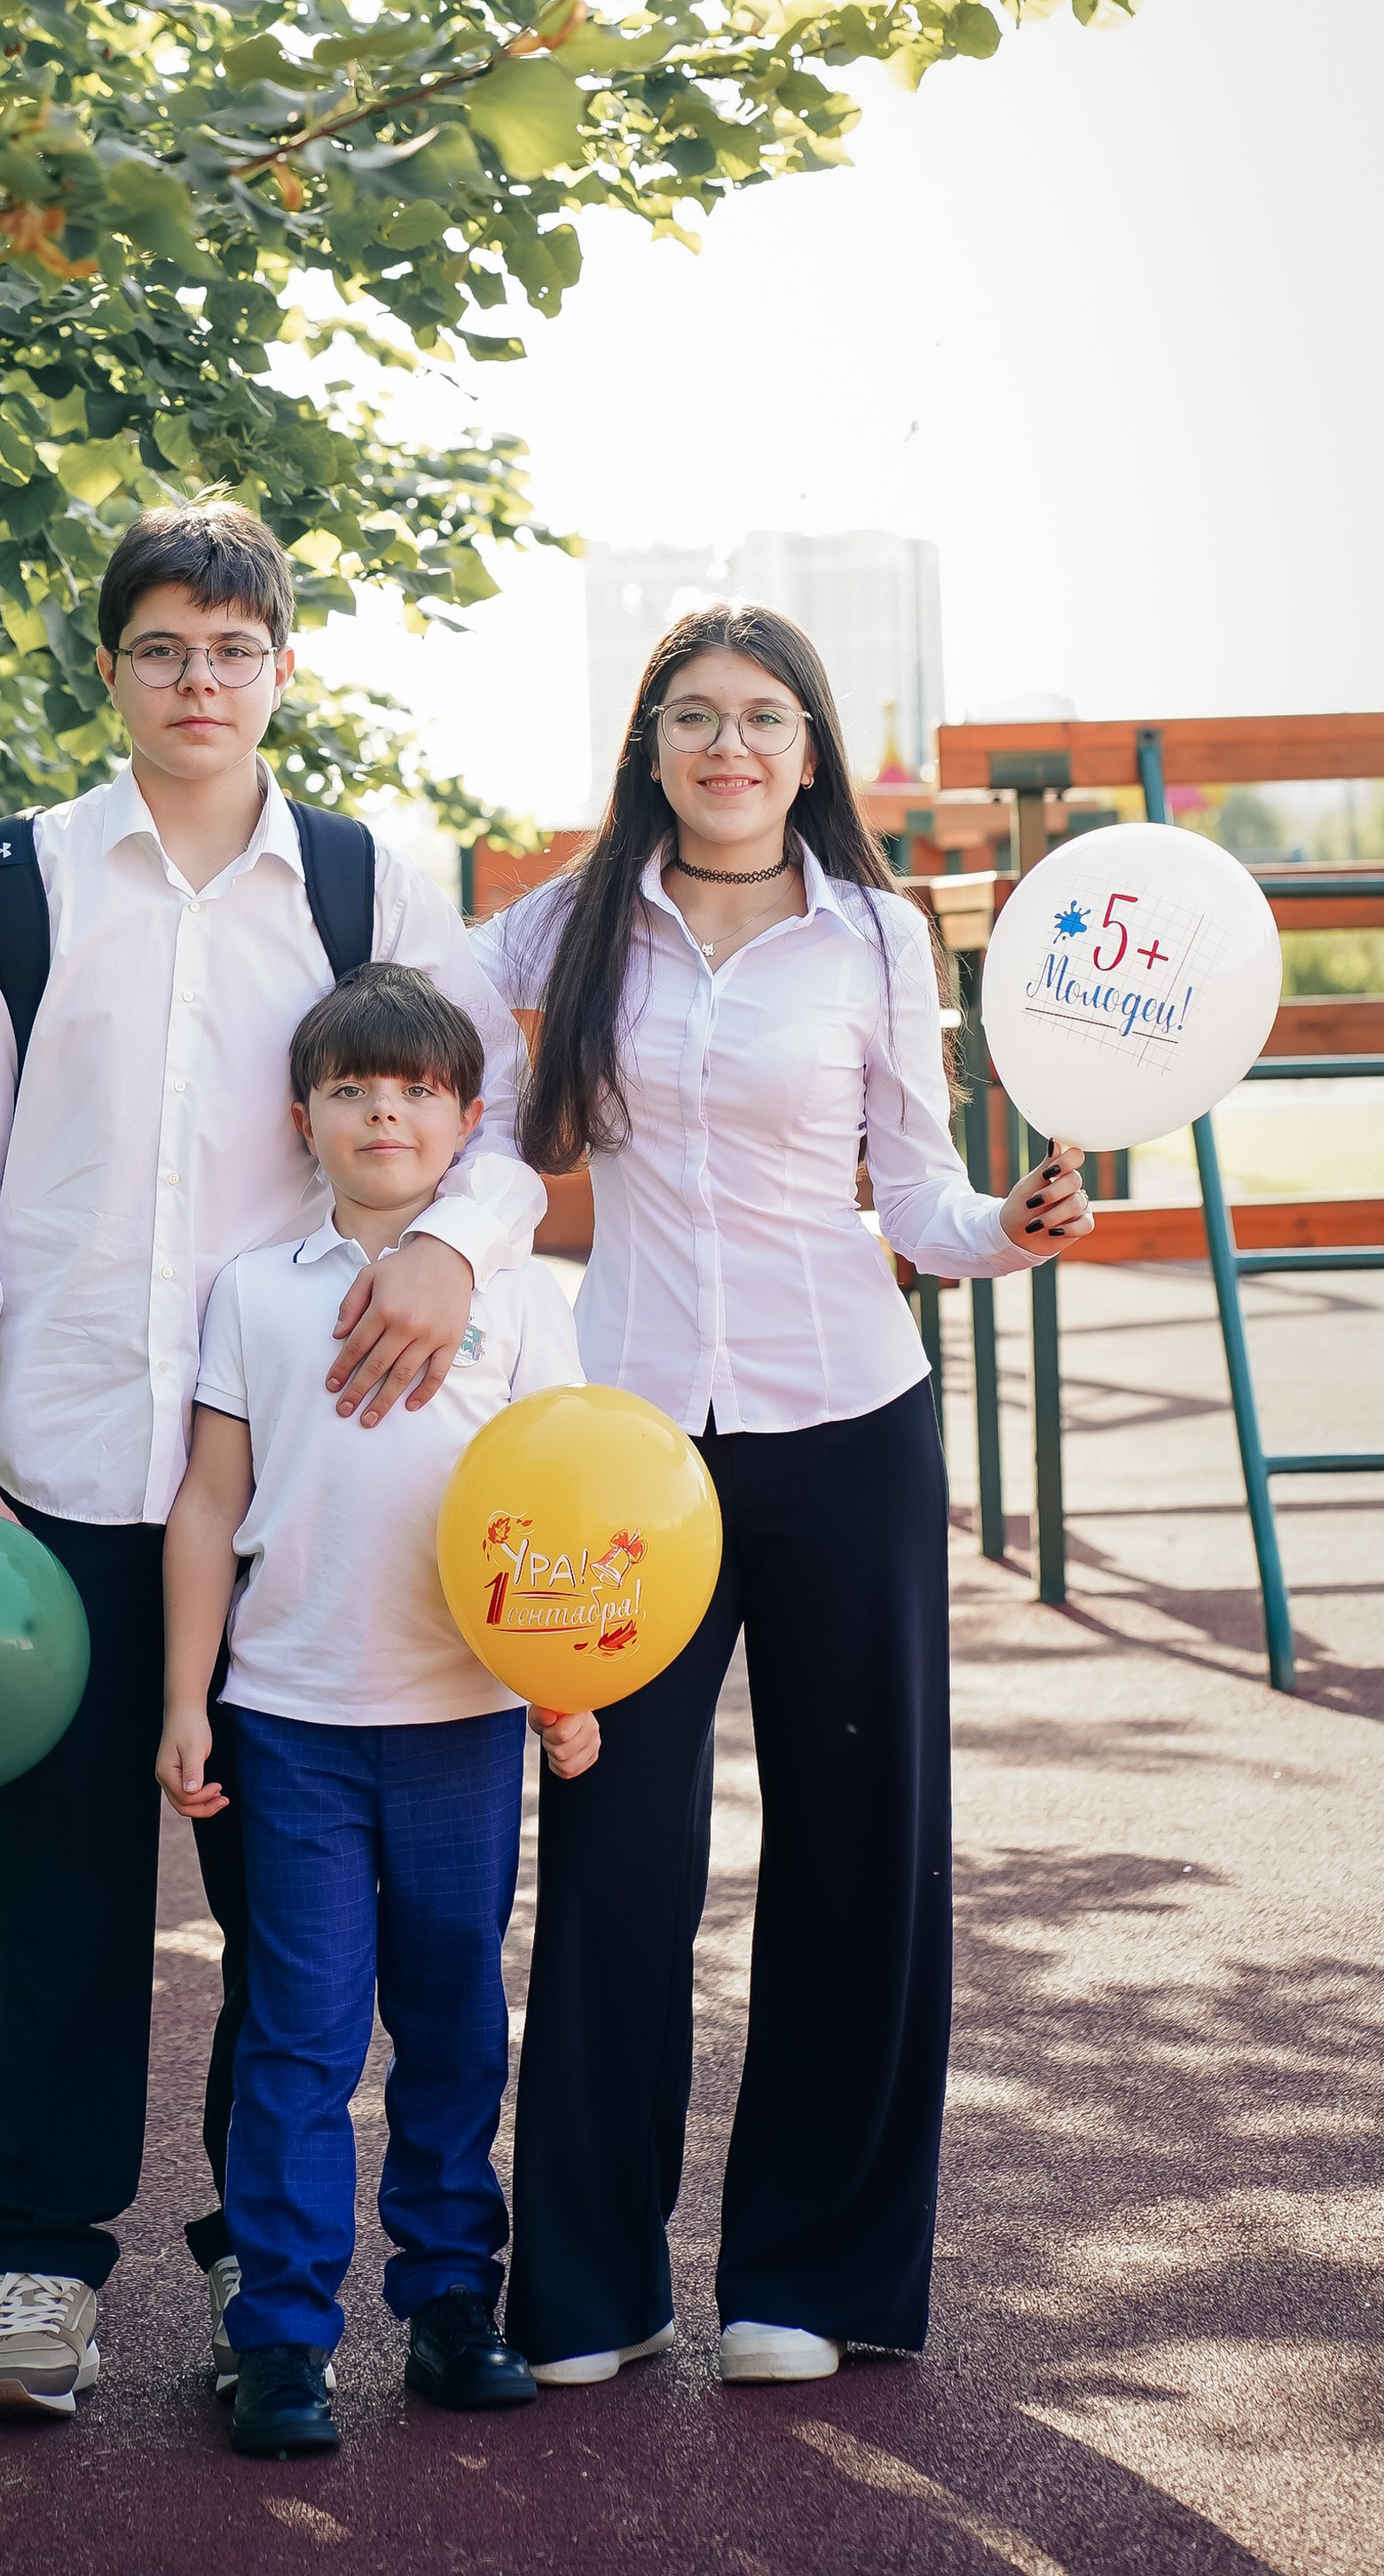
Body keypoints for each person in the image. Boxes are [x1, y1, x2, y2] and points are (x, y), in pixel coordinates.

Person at [0, 503, 545, 2423]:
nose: (198, 682)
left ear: (282, 670)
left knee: (286, 1932)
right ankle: (41, 2267)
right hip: (55, 1480)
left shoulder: (362, 876)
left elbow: (499, 1125)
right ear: (109, 672)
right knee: (62, 1919)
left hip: (291, 1488)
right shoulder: (16, 884)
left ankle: (264, 2258)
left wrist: (443, 1246)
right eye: (161, 649)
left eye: (233, 651)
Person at [476, 603, 1092, 2391]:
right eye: (690, 719)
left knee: (855, 1855)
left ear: (807, 752)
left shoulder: (876, 937)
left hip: (846, 1417)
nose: (725, 746)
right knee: (609, 1855)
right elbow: (411, 1024)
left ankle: (805, 2280)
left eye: (759, 718)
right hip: (626, 1455)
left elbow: (914, 1196)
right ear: (648, 749)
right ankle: (586, 2287)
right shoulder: (568, 920)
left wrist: (1008, 1229)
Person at [159, 963, 598, 2460]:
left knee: (457, 2015)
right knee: (299, 2031)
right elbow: (210, 1507)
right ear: (306, 1119)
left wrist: (566, 1686)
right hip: (286, 1724)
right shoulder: (253, 1295)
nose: (384, 1112)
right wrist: (187, 1702)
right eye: (353, 1089)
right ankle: (281, 2333)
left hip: (463, 1726)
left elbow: (567, 1506)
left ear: (466, 1119)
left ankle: (450, 2301)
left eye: (416, 1089)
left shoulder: (520, 1301)